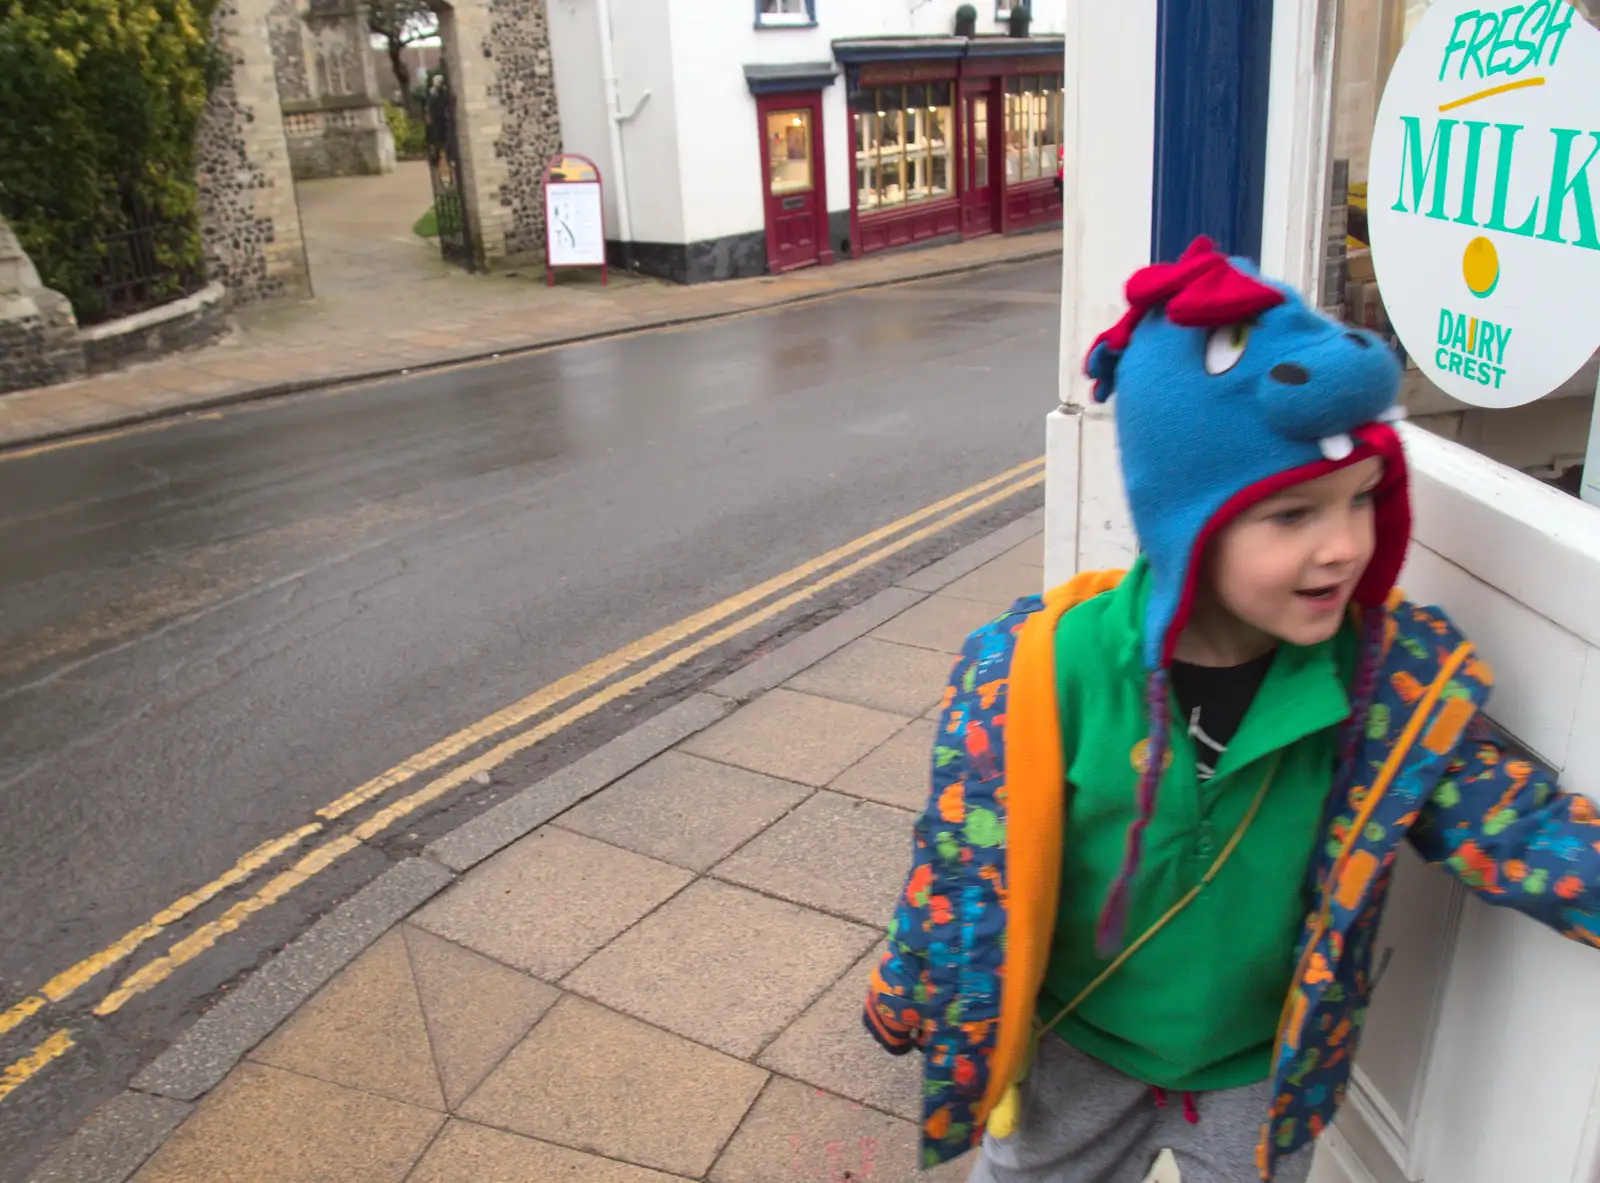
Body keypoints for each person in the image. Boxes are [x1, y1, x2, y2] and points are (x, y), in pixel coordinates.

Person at [863, 236, 1600, 1183]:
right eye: (1292, 516)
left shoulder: (1386, 688)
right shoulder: (1044, 672)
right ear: (1185, 524)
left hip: (1260, 1072)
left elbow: (1511, 821)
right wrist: (911, 975)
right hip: (1076, 1046)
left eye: (1361, 499)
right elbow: (963, 848)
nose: (1342, 546)